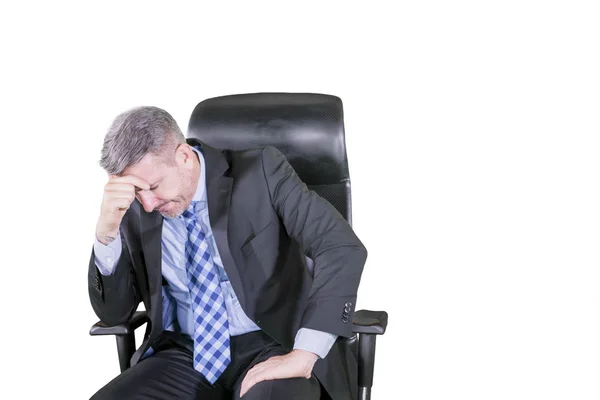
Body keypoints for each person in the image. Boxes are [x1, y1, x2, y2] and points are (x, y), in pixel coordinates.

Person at [88, 106, 367, 400]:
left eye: (154, 187)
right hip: (182, 353)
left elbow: (339, 246)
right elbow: (114, 313)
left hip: (273, 344)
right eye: (135, 191)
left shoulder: (261, 172)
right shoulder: (132, 206)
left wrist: (304, 353)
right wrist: (106, 234)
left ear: (183, 156)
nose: (146, 204)